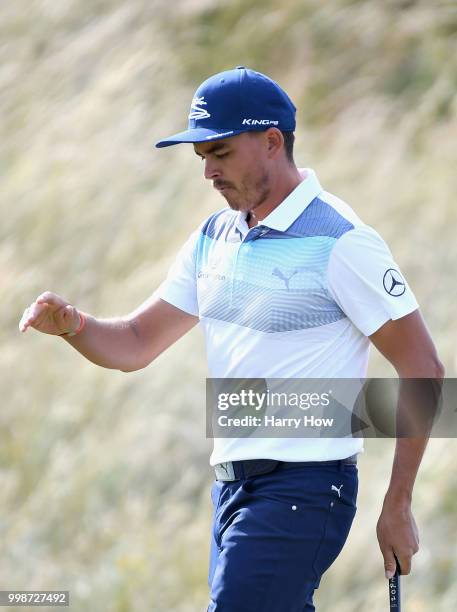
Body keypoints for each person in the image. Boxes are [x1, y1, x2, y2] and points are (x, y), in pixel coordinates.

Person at [19, 67, 444, 611]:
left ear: (271, 142)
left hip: (305, 490)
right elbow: (135, 341)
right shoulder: (213, 237)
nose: (208, 173)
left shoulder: (341, 240)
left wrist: (398, 502)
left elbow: (424, 369)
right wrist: (74, 326)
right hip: (233, 491)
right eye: (201, 157)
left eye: (219, 153)